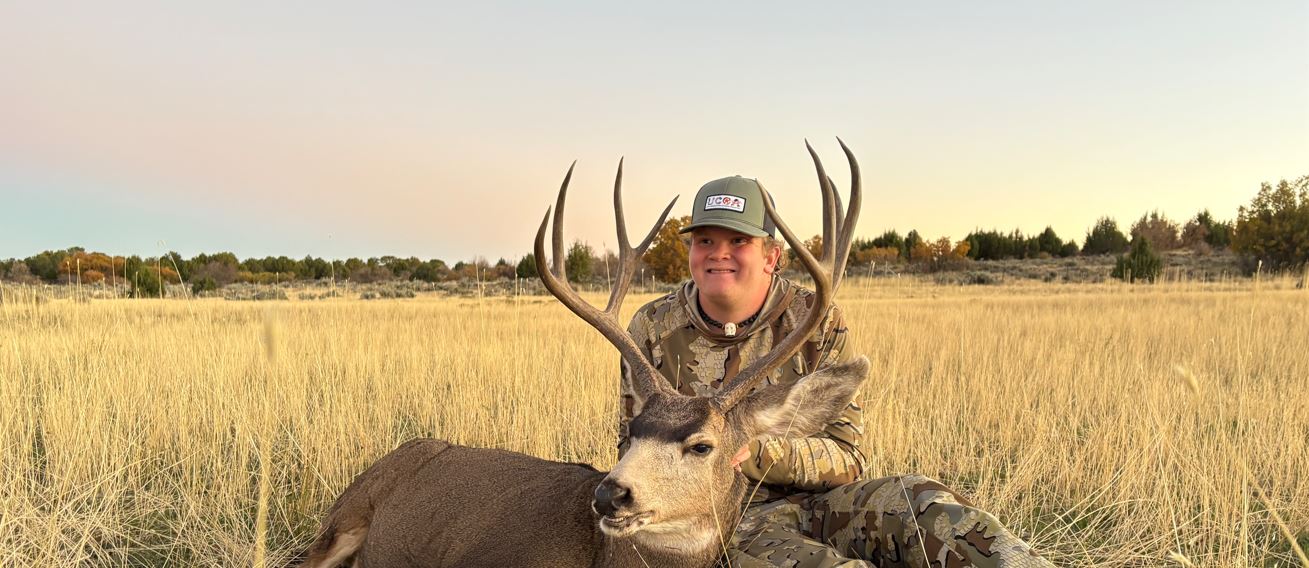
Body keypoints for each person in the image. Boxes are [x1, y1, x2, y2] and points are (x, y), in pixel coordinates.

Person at [619, 176, 1054, 567]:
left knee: (926, 508)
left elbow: (848, 456)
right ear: (691, 252)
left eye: (738, 242)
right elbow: (632, 444)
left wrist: (759, 453)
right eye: (705, 241)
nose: (719, 255)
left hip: (826, 503)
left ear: (772, 255)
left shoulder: (815, 318)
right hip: (727, 520)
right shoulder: (652, 326)